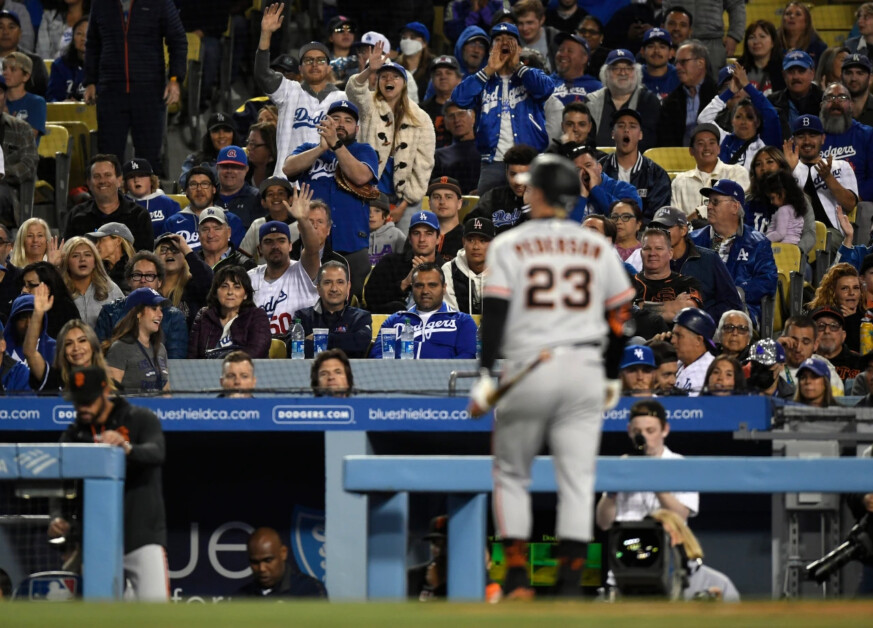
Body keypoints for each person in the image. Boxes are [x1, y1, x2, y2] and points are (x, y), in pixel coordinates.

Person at [469, 153, 634, 599]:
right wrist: (612, 375)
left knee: (511, 473)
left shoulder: (508, 244)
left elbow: (496, 316)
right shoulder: (596, 245)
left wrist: (486, 374)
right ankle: (569, 584)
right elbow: (622, 316)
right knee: (578, 478)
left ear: (539, 193)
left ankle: (519, 578)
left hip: (528, 366)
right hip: (584, 367)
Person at [51, 365, 168, 600]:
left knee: (155, 617)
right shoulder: (73, 435)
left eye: (89, 400)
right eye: (78, 400)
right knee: (101, 618)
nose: (83, 406)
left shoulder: (139, 418)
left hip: (141, 537)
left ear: (105, 391)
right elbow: (61, 484)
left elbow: (157, 452)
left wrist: (126, 448)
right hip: (98, 541)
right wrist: (57, 515)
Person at [282, 99, 377, 296]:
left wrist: (336, 144)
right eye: (335, 119)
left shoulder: (363, 150)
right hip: (312, 243)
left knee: (354, 299)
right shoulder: (309, 149)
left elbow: (360, 176)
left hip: (352, 242)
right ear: (324, 123)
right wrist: (320, 149)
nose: (341, 124)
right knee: (308, 296)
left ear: (357, 128)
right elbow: (288, 168)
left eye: (348, 120)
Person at [84, 0, 186, 176]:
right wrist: (90, 81)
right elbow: (93, 43)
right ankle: (111, 203)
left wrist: (175, 79)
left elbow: (177, 39)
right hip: (111, 93)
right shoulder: (100, 3)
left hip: (149, 92)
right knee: (109, 159)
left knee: (149, 159)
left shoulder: (159, 3)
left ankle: (150, 202)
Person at [452, 22, 554, 195]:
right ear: (491, 49)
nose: (504, 43)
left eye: (510, 39)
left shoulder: (530, 75)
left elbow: (546, 89)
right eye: (498, 40)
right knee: (488, 216)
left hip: (530, 162)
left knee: (532, 215)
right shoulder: (483, 79)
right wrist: (489, 69)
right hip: (493, 163)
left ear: (519, 48)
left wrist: (518, 66)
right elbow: (459, 99)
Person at [346, 49, 435, 234]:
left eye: (395, 77)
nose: (389, 80)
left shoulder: (421, 118)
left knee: (403, 246)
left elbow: (423, 164)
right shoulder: (368, 106)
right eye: (384, 76)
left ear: (404, 84)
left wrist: (404, 205)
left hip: (406, 197)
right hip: (367, 192)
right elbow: (353, 91)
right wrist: (369, 70)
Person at [256, 4, 347, 179]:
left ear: (329, 68)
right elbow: (262, 75)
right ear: (300, 68)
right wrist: (266, 34)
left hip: (326, 181)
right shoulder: (289, 90)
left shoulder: (342, 99)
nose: (314, 64)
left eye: (320, 60)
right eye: (308, 60)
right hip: (287, 181)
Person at [595, 399, 699, 527]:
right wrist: (611, 493)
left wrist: (653, 481)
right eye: (637, 432)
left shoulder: (682, 465)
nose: (643, 437)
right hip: (627, 538)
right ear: (629, 430)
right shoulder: (621, 464)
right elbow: (603, 523)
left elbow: (680, 518)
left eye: (650, 431)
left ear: (665, 429)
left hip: (666, 539)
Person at [690, 179, 776, 326]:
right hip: (699, 306)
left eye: (715, 202)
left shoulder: (757, 243)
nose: (709, 207)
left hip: (738, 310)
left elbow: (768, 280)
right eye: (708, 202)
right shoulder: (693, 240)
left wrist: (738, 292)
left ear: (735, 207)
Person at [248, 188, 321, 338]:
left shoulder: (302, 270)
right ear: (260, 248)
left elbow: (313, 249)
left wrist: (303, 220)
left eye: (281, 240)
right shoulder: (250, 277)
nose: (275, 246)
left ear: (290, 245)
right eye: (268, 242)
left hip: (297, 350)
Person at [370, 263, 477, 359]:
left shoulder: (462, 322)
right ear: (412, 288)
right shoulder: (393, 322)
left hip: (444, 379)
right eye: (419, 286)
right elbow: (379, 358)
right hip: (401, 378)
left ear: (444, 288)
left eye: (432, 285)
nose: (425, 291)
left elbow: (466, 358)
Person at [94, 252, 188, 359]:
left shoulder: (174, 317)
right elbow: (100, 357)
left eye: (149, 275)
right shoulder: (109, 312)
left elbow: (175, 362)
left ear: (159, 282)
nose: (143, 280)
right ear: (129, 280)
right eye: (137, 275)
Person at [786, 114, 857, 247]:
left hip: (831, 233)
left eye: (813, 136)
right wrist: (788, 172)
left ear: (823, 139)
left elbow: (850, 204)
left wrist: (828, 178)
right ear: (793, 140)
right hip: (795, 234)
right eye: (801, 137)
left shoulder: (841, 166)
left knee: (823, 240)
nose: (807, 141)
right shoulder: (787, 169)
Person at [697, 63, 782, 172]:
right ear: (732, 121)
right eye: (738, 117)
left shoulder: (765, 141)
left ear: (758, 122)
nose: (743, 121)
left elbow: (771, 116)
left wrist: (747, 85)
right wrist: (730, 91)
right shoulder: (724, 139)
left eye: (749, 117)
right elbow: (703, 119)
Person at [63, 155, 155, 254]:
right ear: (89, 183)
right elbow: (68, 253)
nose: (102, 181)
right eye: (97, 176)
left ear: (119, 180)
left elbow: (144, 259)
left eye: (108, 175)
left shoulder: (139, 215)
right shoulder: (76, 216)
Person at [650, 509, 741, 601]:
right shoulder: (637, 582)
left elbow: (738, 615)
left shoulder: (718, 583)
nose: (661, 543)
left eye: (665, 535)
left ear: (681, 537)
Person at [600, 109, 672, 221]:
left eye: (632, 126)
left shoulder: (656, 174)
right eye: (621, 126)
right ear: (613, 134)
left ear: (640, 135)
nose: (626, 130)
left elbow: (658, 217)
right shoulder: (599, 169)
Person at [364, 210, 441, 314]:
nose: (422, 239)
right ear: (409, 238)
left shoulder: (447, 268)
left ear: (438, 239)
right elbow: (370, 298)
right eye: (416, 233)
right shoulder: (390, 262)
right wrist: (404, 283)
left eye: (428, 233)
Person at [292, 261, 371, 359]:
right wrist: (344, 342)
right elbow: (292, 348)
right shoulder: (302, 317)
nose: (334, 288)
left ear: (348, 287)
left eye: (340, 282)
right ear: (318, 288)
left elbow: (360, 344)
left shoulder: (361, 317)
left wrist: (320, 339)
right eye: (327, 282)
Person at [586, 49, 661, 152]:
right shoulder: (591, 102)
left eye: (628, 68)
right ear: (606, 74)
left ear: (636, 73)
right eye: (616, 68)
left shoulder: (649, 101)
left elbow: (649, 142)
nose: (623, 72)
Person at [670, 123, 750, 220]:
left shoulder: (737, 172)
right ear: (691, 151)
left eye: (712, 143)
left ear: (719, 149)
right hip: (690, 234)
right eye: (701, 143)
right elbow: (675, 221)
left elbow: (738, 208)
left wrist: (699, 213)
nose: (707, 148)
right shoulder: (679, 181)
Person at [189, 265, 271, 359]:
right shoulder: (204, 315)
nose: (230, 292)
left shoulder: (257, 316)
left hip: (245, 371)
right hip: (207, 371)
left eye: (237, 287)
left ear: (245, 294)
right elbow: (192, 357)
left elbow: (257, 352)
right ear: (216, 292)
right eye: (224, 286)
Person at [746, 146, 815, 254]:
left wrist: (797, 252)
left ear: (781, 166)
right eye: (758, 164)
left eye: (770, 162)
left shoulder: (799, 199)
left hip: (788, 257)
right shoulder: (748, 201)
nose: (764, 167)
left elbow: (809, 233)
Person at [25, 308, 108, 393]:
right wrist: (38, 312)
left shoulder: (111, 388)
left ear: (93, 345)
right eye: (69, 343)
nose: (76, 348)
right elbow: (30, 352)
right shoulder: (53, 380)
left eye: (82, 340)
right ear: (63, 351)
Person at [104, 287, 170, 393]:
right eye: (154, 309)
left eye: (161, 309)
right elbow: (111, 394)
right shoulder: (120, 348)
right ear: (138, 313)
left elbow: (167, 393)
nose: (160, 314)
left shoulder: (160, 348)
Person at [632, 228, 703, 322]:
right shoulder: (629, 283)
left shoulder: (688, 283)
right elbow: (623, 313)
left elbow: (687, 314)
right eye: (647, 249)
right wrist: (673, 304)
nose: (652, 253)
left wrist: (639, 306)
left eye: (659, 248)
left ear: (670, 253)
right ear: (641, 253)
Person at [818, 82, 873, 204]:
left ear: (851, 105)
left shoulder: (867, 135)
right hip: (819, 206)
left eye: (842, 97)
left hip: (859, 206)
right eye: (830, 97)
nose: (836, 102)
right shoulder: (810, 137)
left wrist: (856, 199)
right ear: (821, 105)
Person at [237, 526, 327, 598]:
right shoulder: (241, 597)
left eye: (268, 560)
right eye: (255, 562)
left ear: (283, 553)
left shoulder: (309, 590)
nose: (262, 568)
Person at [466, 144, 536, 234]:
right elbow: (470, 225)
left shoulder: (544, 200)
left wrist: (528, 207)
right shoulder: (493, 196)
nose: (518, 182)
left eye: (523, 175)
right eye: (513, 174)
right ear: (506, 173)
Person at [658, 42, 717, 147]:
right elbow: (666, 140)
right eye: (676, 63)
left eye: (683, 62)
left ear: (700, 63)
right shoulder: (671, 102)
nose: (677, 67)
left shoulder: (718, 95)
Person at [153, 232, 213, 331]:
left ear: (185, 256)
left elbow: (210, 281)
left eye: (175, 249)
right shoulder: (150, 287)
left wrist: (186, 250)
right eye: (163, 250)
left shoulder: (194, 285)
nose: (169, 253)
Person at [60, 236, 123, 328]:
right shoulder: (59, 291)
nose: (82, 259)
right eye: (75, 255)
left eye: (87, 255)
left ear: (95, 261)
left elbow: (126, 325)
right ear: (66, 262)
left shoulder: (111, 289)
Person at [568, 144, 642, 221]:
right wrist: (582, 197)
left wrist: (595, 190)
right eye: (578, 169)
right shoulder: (567, 194)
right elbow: (568, 228)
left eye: (588, 165)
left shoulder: (625, 189)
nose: (584, 172)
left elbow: (627, 220)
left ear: (599, 167)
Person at [777, 315, 844, 396]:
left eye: (805, 342)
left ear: (815, 345)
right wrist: (775, 350)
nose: (798, 349)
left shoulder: (827, 373)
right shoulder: (772, 366)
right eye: (793, 342)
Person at [0, 83, 36, 228]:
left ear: (5, 96)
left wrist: (3, 173)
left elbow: (29, 163)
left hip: (8, 188)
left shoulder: (21, 128)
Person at [767, 50, 823, 141]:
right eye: (791, 72)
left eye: (801, 71)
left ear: (812, 73)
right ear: (784, 75)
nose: (796, 77)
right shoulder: (771, 102)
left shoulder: (824, 101)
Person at [441, 217, 493, 315]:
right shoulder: (449, 270)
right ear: (463, 242)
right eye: (471, 240)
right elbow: (450, 315)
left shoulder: (502, 270)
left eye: (482, 241)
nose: (476, 247)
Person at [810, 263, 863, 352]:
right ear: (833, 292)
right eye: (845, 288)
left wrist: (853, 320)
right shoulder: (818, 317)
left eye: (856, 288)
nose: (851, 293)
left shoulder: (866, 318)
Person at [179, 112, 241, 189]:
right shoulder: (194, 160)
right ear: (209, 136)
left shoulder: (245, 159)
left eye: (226, 130)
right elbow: (184, 181)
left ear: (233, 134)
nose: (221, 135)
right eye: (216, 131)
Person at [19, 261, 79, 338]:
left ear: (48, 288)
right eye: (23, 285)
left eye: (31, 285)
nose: (24, 290)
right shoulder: (20, 308)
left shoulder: (65, 310)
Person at [122, 158, 181, 238]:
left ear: (151, 179)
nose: (136, 180)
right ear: (125, 183)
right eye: (131, 177)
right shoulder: (120, 204)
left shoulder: (169, 204)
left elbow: (178, 233)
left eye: (141, 175)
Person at [432, 101, 481, 195]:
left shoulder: (487, 150)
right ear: (445, 123)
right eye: (451, 116)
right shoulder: (439, 156)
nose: (457, 120)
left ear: (473, 117)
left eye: (461, 114)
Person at [809, 305, 861, 384]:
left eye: (834, 326)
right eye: (820, 326)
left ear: (843, 336)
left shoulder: (860, 363)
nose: (827, 331)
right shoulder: (804, 361)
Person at [214, 145, 261, 230]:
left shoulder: (257, 198)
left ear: (246, 169)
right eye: (225, 166)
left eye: (235, 167)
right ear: (217, 168)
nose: (229, 171)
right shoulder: (208, 196)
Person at [0, 9, 45, 97]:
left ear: (20, 33)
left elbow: (43, 96)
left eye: (11, 27)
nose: (5, 32)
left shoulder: (34, 62)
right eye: (0, 27)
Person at [3, 52, 45, 143]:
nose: (6, 73)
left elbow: (28, 139)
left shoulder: (36, 103)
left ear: (26, 76)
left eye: (13, 69)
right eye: (4, 69)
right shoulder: (1, 102)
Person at [4, 292, 56, 365]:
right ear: (13, 321)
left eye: (33, 318)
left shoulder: (55, 349)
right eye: (23, 318)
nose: (28, 324)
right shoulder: (3, 349)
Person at [197, 207, 255, 272]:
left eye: (217, 228)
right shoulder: (190, 264)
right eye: (205, 229)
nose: (211, 235)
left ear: (228, 232)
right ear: (199, 234)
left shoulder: (245, 265)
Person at [551, 32, 601, 106]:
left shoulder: (597, 88)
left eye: (569, 51)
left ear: (584, 58)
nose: (563, 54)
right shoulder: (543, 84)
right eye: (561, 50)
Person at [738, 20, 785, 97]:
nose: (756, 42)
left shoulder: (784, 69)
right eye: (751, 37)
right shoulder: (738, 68)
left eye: (762, 36)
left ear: (773, 42)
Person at [86, 222, 135, 293]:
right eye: (97, 241)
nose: (96, 246)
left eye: (101, 240)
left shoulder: (135, 272)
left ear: (118, 241)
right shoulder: (95, 271)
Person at [778, 1, 827, 67]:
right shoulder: (773, 44)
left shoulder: (819, 48)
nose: (792, 16)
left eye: (798, 14)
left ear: (806, 22)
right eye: (788, 14)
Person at [639, 28, 679, 102]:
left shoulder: (680, 76)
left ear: (671, 53)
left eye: (662, 47)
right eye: (651, 46)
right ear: (642, 52)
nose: (656, 51)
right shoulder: (634, 77)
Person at [368, 193, 406, 267]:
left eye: (377, 211)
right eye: (368, 210)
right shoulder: (359, 235)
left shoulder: (397, 235)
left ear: (387, 215)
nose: (371, 215)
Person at [842, 53, 873, 127]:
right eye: (849, 73)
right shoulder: (834, 109)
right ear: (841, 77)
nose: (854, 78)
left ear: (870, 78)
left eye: (860, 73)